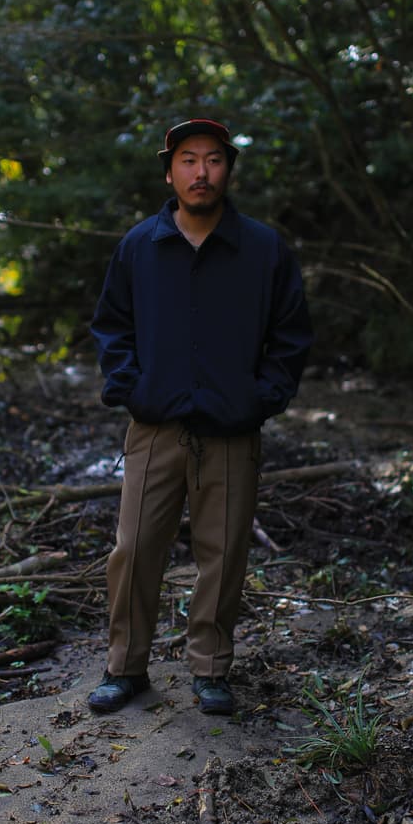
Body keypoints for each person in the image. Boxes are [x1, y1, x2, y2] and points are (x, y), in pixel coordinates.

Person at [88, 118, 312, 716]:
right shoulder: (140, 245)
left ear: (227, 171)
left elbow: (291, 336)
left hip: (232, 429)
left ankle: (211, 669)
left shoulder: (263, 248)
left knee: (223, 552)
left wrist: (259, 398)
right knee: (133, 549)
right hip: (155, 427)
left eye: (213, 160)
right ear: (170, 171)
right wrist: (130, 389)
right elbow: (112, 325)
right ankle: (125, 667)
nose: (201, 172)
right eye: (188, 160)